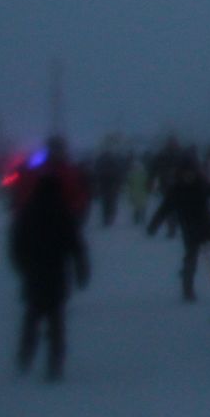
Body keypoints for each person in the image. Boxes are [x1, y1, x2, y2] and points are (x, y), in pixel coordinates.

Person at [10, 171, 89, 381]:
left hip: (34, 275)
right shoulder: (64, 214)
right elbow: (76, 247)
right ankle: (55, 363)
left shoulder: (27, 213)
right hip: (57, 275)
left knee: (32, 318)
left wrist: (22, 267)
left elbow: (16, 245)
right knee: (56, 322)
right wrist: (82, 270)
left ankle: (25, 355)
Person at [147, 155, 210, 301]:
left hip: (207, 225)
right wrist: (153, 225)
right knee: (190, 259)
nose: (189, 176)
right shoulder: (175, 190)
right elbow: (164, 210)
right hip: (189, 231)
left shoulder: (201, 185)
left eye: (192, 173)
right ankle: (188, 290)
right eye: (186, 173)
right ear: (181, 173)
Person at [93, 145, 125, 227]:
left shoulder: (101, 163)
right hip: (110, 187)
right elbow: (119, 175)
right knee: (110, 203)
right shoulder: (113, 163)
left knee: (106, 204)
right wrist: (119, 185)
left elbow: (97, 175)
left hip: (106, 187)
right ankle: (109, 217)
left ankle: (107, 218)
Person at [125, 155, 151, 229]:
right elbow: (129, 184)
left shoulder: (132, 174)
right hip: (141, 192)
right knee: (141, 206)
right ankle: (141, 218)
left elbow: (128, 184)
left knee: (138, 207)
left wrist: (128, 191)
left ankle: (138, 219)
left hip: (138, 192)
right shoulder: (143, 174)